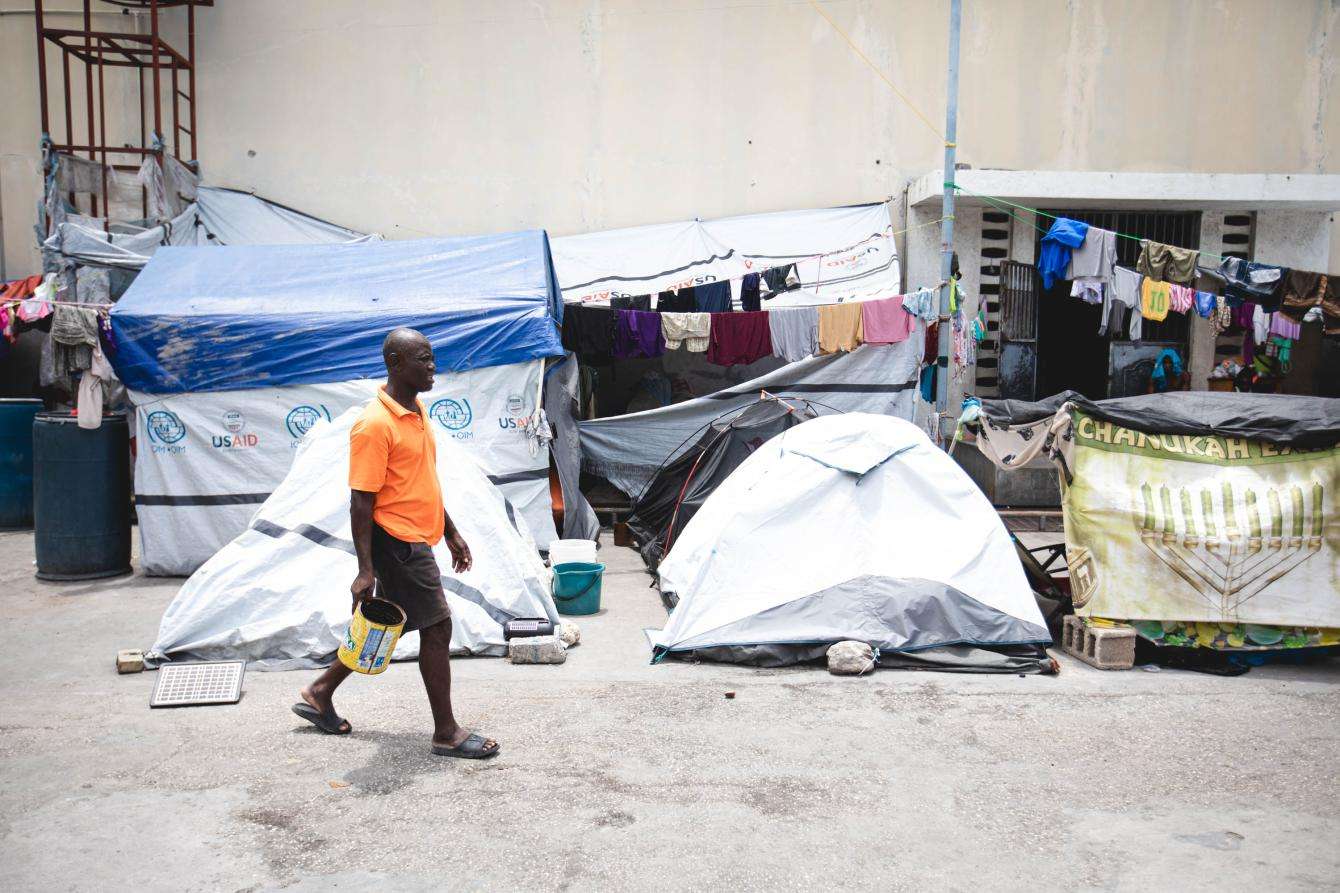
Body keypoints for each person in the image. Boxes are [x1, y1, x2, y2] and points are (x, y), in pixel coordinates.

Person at [292, 327, 499, 759]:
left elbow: (418, 481)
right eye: (423, 359)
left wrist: (451, 531)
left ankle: (320, 690)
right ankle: (447, 732)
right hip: (397, 542)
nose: (432, 367)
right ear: (395, 363)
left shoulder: (416, 410)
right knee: (438, 626)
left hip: (417, 536)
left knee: (388, 622)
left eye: (431, 358)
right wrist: (366, 569)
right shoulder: (373, 424)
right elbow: (360, 501)